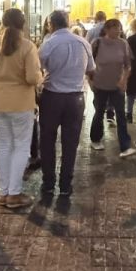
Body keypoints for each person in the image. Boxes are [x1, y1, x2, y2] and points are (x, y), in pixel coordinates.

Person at [0, 8, 42, 208]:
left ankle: (3, 193)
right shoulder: (27, 46)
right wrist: (41, 78)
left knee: (5, 145)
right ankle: (14, 194)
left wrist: (0, 79)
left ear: (3, 23)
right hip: (21, 103)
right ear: (23, 24)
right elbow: (32, 77)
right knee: (21, 146)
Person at [38, 10, 95, 197]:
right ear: (68, 23)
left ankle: (48, 183)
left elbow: (38, 67)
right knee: (70, 143)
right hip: (76, 98)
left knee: (47, 140)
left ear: (50, 25)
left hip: (52, 96)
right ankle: (65, 185)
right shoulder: (83, 43)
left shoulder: (49, 44)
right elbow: (91, 69)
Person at [88, 19, 136, 157]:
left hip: (117, 85)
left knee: (120, 114)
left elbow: (128, 65)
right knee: (99, 112)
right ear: (107, 30)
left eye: (119, 28)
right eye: (115, 28)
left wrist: (124, 80)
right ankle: (96, 139)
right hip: (99, 84)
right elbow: (89, 65)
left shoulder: (123, 44)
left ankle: (125, 146)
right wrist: (90, 82)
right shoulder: (97, 43)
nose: (118, 31)